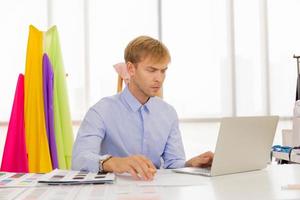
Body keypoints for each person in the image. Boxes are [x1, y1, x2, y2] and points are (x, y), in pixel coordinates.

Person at [72, 36, 213, 181]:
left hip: (157, 191)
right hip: (115, 192)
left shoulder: (168, 112)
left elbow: (174, 164)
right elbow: (79, 159)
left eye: (163, 71)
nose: (159, 78)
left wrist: (191, 165)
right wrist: (115, 162)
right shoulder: (101, 111)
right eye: (151, 70)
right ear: (131, 69)